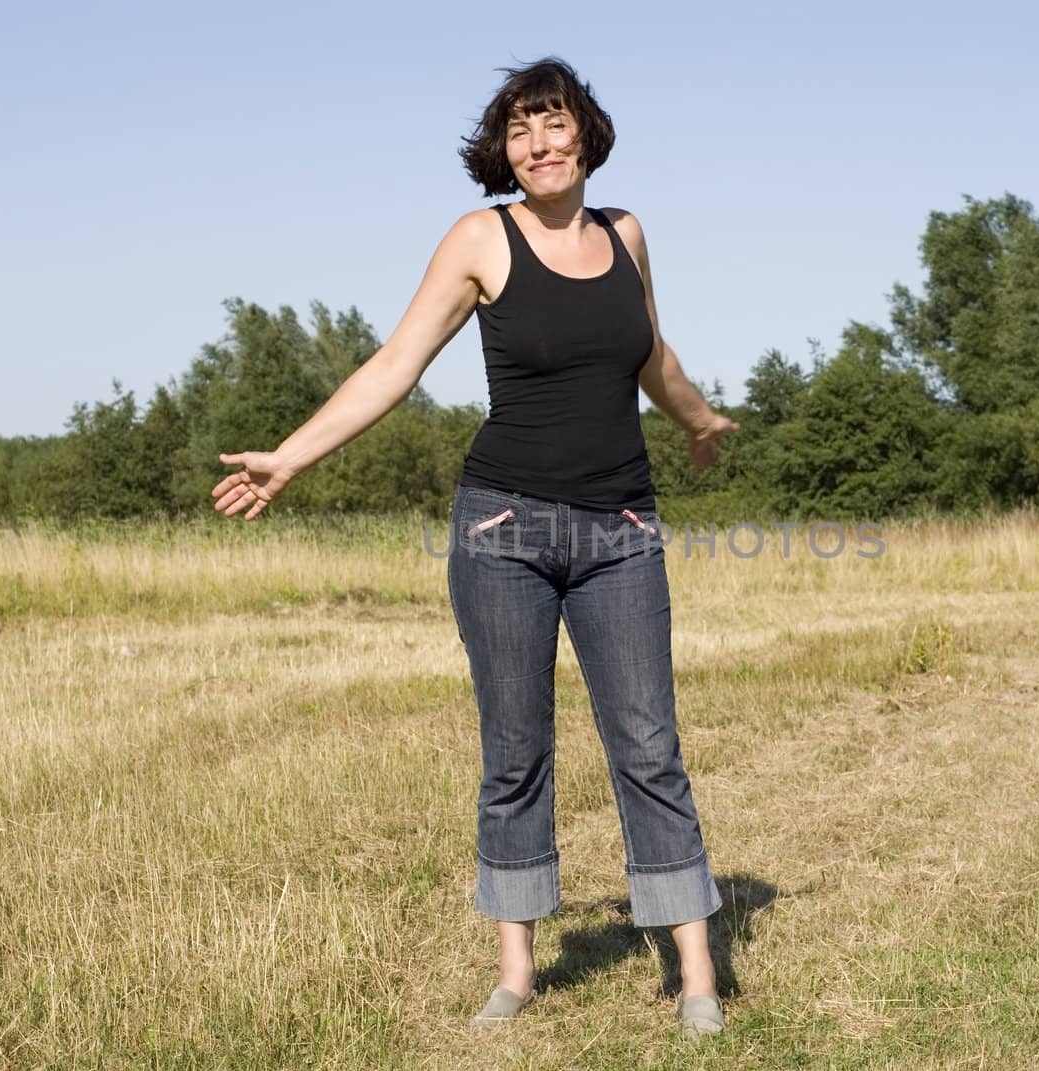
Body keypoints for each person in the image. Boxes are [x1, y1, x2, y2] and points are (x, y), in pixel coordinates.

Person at [209, 57, 741, 1039]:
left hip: (621, 528)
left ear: (587, 133)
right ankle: (517, 971)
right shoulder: (478, 239)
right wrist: (290, 457)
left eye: (555, 125)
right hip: (502, 528)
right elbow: (396, 365)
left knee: (649, 745)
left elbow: (647, 354)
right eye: (520, 132)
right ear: (503, 150)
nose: (539, 146)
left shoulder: (626, 235)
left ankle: (697, 976)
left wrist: (700, 420)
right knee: (515, 749)